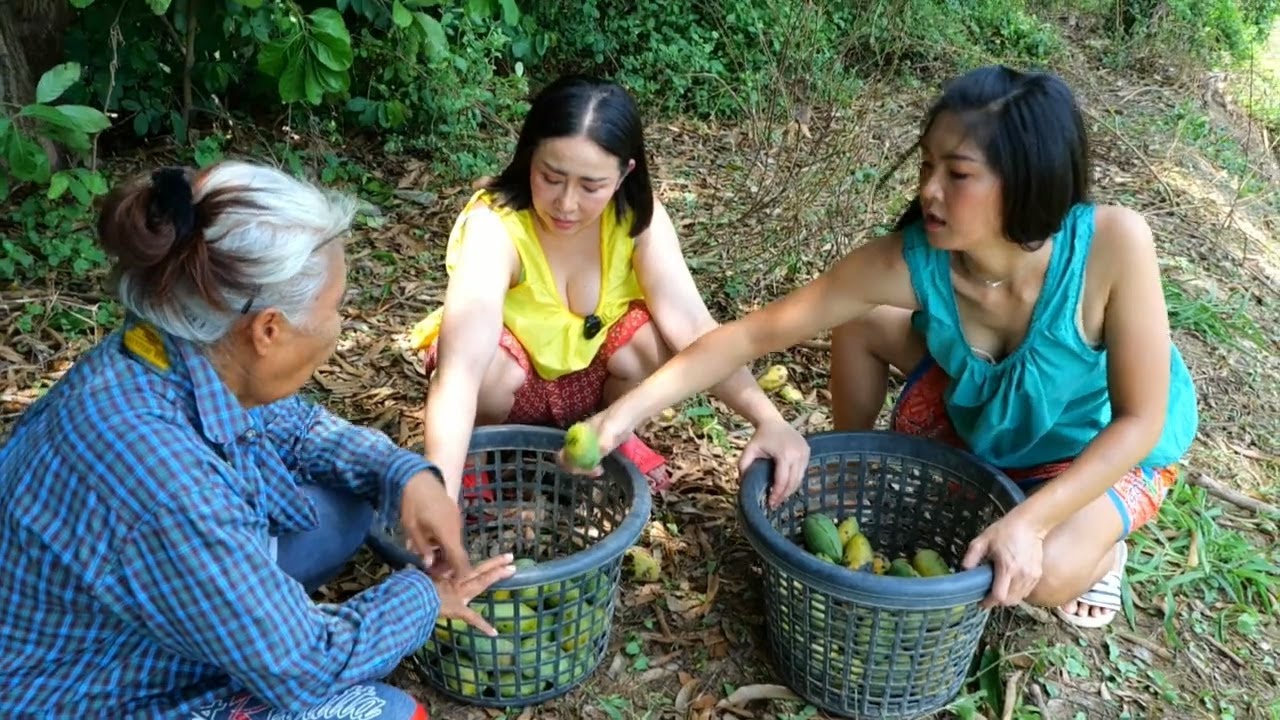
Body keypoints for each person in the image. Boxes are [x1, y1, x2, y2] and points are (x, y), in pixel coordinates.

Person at [565, 65, 1199, 629]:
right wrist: (621, 417)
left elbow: (1140, 419)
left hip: (1097, 444)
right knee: (865, 323)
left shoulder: (1113, 245)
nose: (929, 190)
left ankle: (1103, 546)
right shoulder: (913, 261)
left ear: (1025, 179)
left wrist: (1030, 523)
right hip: (992, 418)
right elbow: (750, 335)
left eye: (959, 174)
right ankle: (853, 467)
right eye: (927, 166)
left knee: (1049, 575)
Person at [0, 161, 516, 719]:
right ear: (268, 329)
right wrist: (425, 598)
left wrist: (405, 474)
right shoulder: (170, 489)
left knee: (341, 507)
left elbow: (292, 426)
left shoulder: (170, 349)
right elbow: (305, 667)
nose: (339, 327)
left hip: (129, 617)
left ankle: (252, 631)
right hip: (86, 691)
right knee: (383, 712)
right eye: (334, 310)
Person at [412, 74, 809, 505]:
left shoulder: (637, 219)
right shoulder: (496, 226)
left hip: (592, 389)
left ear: (624, 175)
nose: (566, 203)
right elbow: (460, 372)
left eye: (591, 186)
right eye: (551, 176)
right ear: (529, 159)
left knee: (651, 339)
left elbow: (696, 329)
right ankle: (474, 455)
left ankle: (612, 432)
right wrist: (439, 495)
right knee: (490, 369)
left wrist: (769, 419)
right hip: (511, 387)